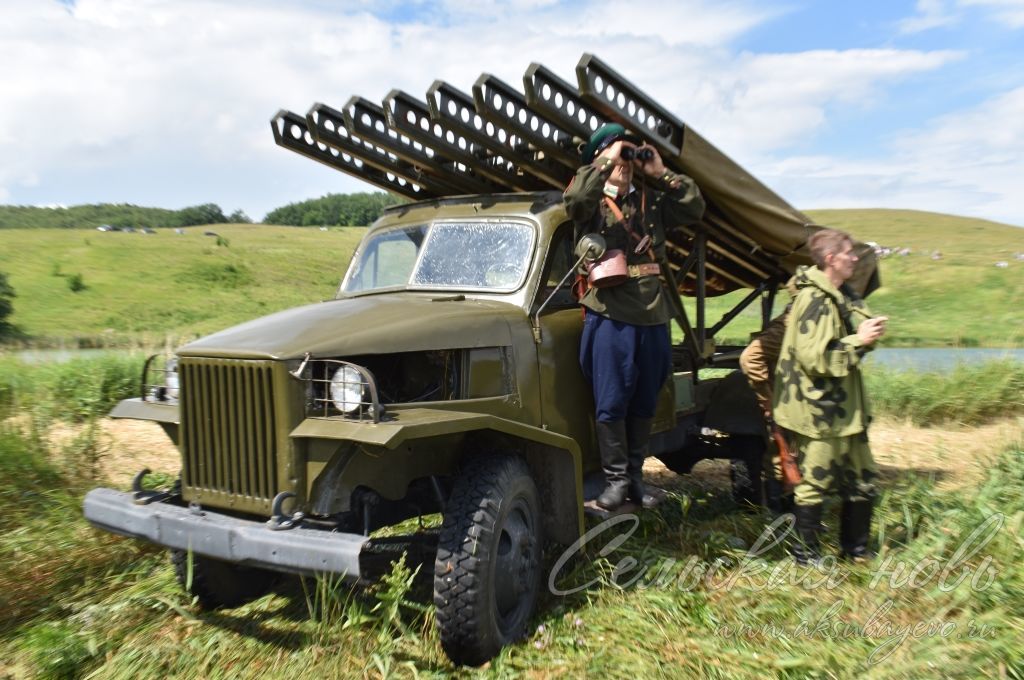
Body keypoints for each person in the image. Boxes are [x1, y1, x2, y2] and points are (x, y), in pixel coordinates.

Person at [564, 123, 705, 510]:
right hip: (610, 314)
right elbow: (574, 201)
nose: (626, 162)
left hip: (652, 315)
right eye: (618, 153)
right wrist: (606, 163)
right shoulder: (591, 203)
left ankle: (636, 477)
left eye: (629, 155)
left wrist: (661, 172)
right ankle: (615, 480)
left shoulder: (650, 201)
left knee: (645, 399)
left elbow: (694, 207)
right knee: (611, 401)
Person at [772, 228, 886, 564]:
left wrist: (865, 337)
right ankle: (806, 556)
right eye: (850, 253)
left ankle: (856, 552)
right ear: (832, 259)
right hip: (819, 411)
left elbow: (843, 356)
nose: (855, 259)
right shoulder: (815, 301)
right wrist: (859, 341)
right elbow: (817, 358)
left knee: (863, 479)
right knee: (813, 483)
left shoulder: (841, 296)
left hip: (846, 410)